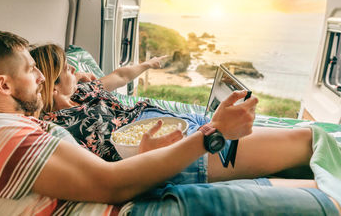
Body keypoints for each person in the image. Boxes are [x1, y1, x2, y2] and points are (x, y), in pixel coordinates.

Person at [0, 31, 340, 215]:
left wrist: (143, 156)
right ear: (3, 84)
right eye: (30, 71)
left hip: (141, 200)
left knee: (312, 179)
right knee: (327, 202)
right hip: (139, 212)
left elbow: (105, 179)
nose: (41, 77)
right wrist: (213, 134)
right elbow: (111, 186)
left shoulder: (13, 130)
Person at [31, 44, 315, 182]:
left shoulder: (84, 89)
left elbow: (119, 75)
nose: (74, 69)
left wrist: (147, 64)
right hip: (168, 145)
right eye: (65, 68)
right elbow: (101, 174)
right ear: (50, 85)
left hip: (176, 122)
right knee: (305, 141)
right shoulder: (53, 127)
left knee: (297, 152)